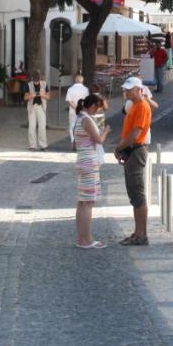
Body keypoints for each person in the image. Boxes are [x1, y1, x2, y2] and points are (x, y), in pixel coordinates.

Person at [114, 76, 152, 245]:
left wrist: (120, 147)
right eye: (126, 89)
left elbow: (136, 133)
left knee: (138, 194)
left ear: (139, 90)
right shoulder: (135, 106)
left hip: (136, 150)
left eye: (129, 89)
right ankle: (138, 232)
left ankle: (141, 234)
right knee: (134, 194)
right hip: (132, 151)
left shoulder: (142, 106)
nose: (126, 91)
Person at [72, 93, 109, 249]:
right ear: (93, 106)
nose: (97, 111)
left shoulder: (79, 119)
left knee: (82, 201)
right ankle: (87, 239)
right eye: (97, 108)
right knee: (88, 203)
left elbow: (74, 145)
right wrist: (106, 130)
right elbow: (99, 139)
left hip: (82, 160)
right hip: (90, 162)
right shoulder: (87, 119)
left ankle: (82, 238)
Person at [25, 70, 50, 150]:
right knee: (31, 127)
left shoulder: (44, 84)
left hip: (41, 107)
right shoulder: (28, 85)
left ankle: (43, 145)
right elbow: (25, 97)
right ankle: (32, 145)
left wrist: (42, 95)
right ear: (32, 79)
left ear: (40, 78)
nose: (36, 82)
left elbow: (48, 97)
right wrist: (32, 96)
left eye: (38, 80)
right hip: (32, 107)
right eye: (35, 80)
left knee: (42, 126)